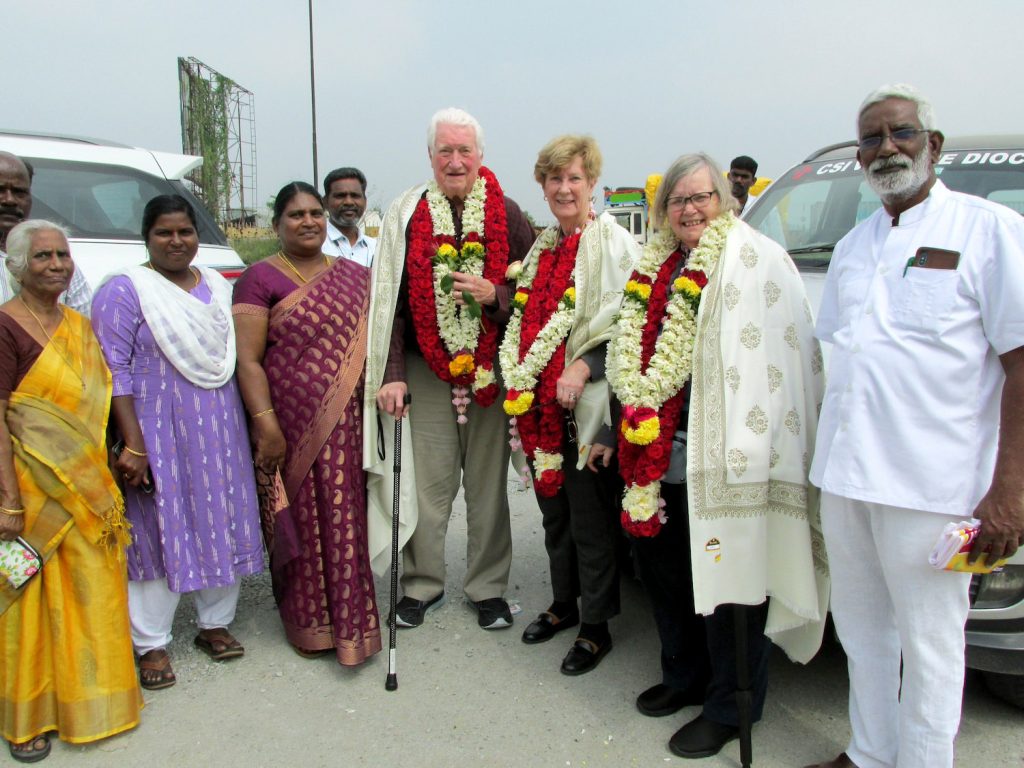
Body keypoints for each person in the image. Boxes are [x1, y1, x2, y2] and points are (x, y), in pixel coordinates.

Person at [804, 84, 1024, 768]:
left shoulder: (987, 231)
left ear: (933, 144)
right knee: (864, 632)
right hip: (847, 477)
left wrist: (1009, 488)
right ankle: (870, 751)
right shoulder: (855, 244)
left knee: (931, 644)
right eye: (871, 138)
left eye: (899, 133)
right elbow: (849, 355)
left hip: (932, 486)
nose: (885, 148)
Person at [607, 153, 828, 759]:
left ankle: (733, 706)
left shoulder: (757, 259)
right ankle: (684, 678)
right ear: (663, 210)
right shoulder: (652, 265)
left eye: (701, 197)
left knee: (731, 583)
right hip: (656, 455)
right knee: (667, 575)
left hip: (728, 455)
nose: (690, 209)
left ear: (724, 201)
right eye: (678, 201)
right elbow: (630, 349)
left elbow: (780, 358)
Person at [366, 107, 535, 630]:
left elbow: (538, 296)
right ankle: (421, 585)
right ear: (431, 157)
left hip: (490, 370)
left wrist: (497, 295)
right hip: (424, 371)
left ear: (481, 156)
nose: (455, 160)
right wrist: (392, 372)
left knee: (486, 488)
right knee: (429, 486)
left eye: (465, 150)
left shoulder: (507, 213)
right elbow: (389, 303)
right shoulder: (407, 213)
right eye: (446, 151)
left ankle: (487, 588)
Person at [91, 195, 263, 690]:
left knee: (219, 516)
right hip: (154, 430)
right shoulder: (125, 290)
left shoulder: (214, 284)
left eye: (185, 231)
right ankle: (151, 642)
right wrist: (133, 444)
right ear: (146, 236)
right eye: (164, 232)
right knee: (157, 526)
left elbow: (235, 352)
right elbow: (112, 370)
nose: (176, 241)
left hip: (219, 426)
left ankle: (214, 624)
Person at [0, 220, 141, 762]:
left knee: (90, 596)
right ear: (16, 267)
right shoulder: (6, 327)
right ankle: (27, 719)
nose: (57, 264)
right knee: (30, 605)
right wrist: (8, 499)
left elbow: (96, 407)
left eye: (62, 254)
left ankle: (94, 702)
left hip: (87, 490)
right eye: (42, 257)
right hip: (33, 493)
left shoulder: (80, 325)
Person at [501, 135, 637, 674]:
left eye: (574, 179)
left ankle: (596, 627)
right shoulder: (543, 247)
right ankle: (563, 605)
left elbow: (634, 324)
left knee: (590, 521)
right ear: (543, 186)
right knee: (553, 514)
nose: (563, 189)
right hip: (539, 411)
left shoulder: (614, 244)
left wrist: (585, 365)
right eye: (554, 179)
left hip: (588, 411)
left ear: (592, 185)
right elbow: (526, 323)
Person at [233, 181, 380, 665]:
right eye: (295, 215)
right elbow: (249, 360)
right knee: (300, 518)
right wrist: (265, 424)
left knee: (345, 515)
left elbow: (381, 343)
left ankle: (353, 622)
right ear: (277, 224)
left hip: (349, 423)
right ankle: (308, 622)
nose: (309, 221)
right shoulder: (259, 278)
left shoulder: (356, 276)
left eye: (315, 213)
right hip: (290, 425)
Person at [0, 152, 91, 314]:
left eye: (19, 192)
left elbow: (84, 328)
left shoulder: (59, 263)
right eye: (0, 190)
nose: (9, 200)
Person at [322, 166, 376, 267]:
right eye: (340, 196)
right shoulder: (316, 246)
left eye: (355, 196)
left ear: (365, 201)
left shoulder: (375, 248)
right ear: (325, 202)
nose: (349, 202)